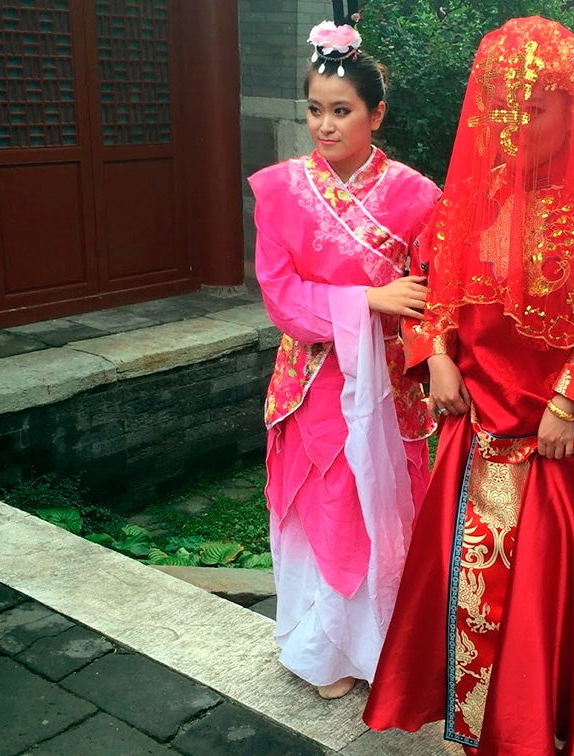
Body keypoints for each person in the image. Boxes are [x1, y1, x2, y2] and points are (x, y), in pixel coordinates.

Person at [363, 17, 574, 756]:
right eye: (502, 107)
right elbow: (427, 292)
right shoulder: (469, 198)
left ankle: (541, 736)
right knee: (468, 587)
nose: (515, 126)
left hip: (553, 445)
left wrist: (568, 404)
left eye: (534, 109)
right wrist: (436, 356)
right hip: (473, 435)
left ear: (573, 108)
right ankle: (478, 729)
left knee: (544, 602)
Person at [248, 4, 440, 700]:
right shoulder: (280, 190)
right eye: (315, 110)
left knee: (380, 509)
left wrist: (424, 343)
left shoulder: (419, 197)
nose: (324, 126)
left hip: (389, 383)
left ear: (376, 114)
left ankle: (383, 646)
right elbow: (281, 297)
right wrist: (369, 299)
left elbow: (432, 297)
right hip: (312, 380)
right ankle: (322, 649)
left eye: (341, 111)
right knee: (323, 510)